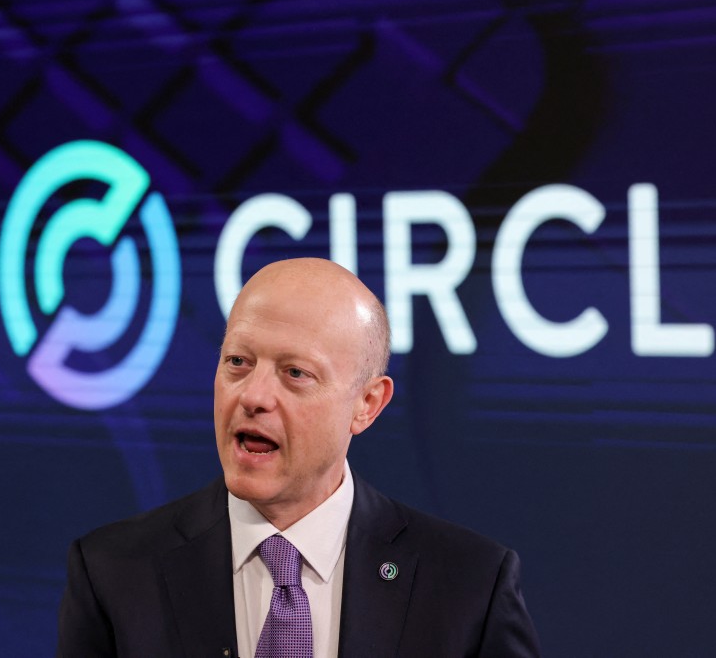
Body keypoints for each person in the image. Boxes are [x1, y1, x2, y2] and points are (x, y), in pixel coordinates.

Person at [56, 258, 541, 657]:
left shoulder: (470, 585)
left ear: (367, 404)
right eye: (238, 362)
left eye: (295, 373)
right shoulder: (113, 572)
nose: (253, 396)